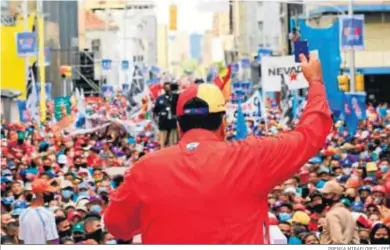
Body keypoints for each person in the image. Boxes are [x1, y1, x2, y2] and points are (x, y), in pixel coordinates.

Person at [104, 53, 332, 243]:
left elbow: (116, 226)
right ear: (223, 123)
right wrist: (315, 82)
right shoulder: (251, 157)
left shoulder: (146, 169)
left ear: (179, 125)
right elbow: (309, 135)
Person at [18, 179, 59, 244]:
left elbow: (21, 240)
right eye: (48, 191)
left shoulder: (23, 214)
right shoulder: (47, 214)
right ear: (40, 193)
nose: (51, 194)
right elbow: (53, 240)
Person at [153, 82, 179, 147]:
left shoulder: (176, 97)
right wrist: (160, 114)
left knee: (173, 144)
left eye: (168, 87)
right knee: (163, 144)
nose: (167, 88)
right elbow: (155, 110)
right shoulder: (160, 98)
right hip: (163, 124)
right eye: (166, 87)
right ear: (163, 88)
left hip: (173, 124)